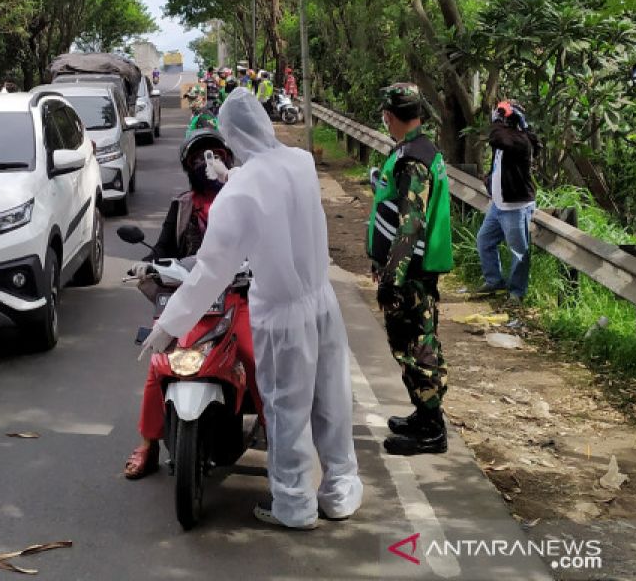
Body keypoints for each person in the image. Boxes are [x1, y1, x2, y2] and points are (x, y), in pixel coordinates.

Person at [138, 89, 363, 529]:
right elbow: (274, 198)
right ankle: (340, 491)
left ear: (231, 136)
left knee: (287, 410)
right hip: (322, 300)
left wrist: (169, 324)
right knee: (332, 401)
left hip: (281, 315)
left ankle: (294, 505)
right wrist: (233, 179)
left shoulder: (239, 193)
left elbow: (210, 271)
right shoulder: (299, 162)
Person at [124, 130, 257, 479]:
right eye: (198, 158)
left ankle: (277, 433)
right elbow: (163, 249)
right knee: (159, 363)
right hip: (188, 299)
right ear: (187, 166)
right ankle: (148, 444)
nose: (207, 163)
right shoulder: (182, 206)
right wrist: (147, 264)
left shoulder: (245, 201)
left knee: (255, 356)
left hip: (236, 297)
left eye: (214, 154)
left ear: (227, 160)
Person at [367, 83, 453, 456]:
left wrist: (392, 278)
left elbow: (410, 224)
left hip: (411, 274)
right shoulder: (418, 150)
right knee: (411, 343)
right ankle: (423, 413)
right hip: (414, 271)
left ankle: (432, 429)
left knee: (416, 346)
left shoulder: (414, 161)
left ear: (389, 115)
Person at [475, 100, 541, 303]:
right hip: (499, 204)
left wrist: (500, 118)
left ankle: (516, 293)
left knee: (519, 252)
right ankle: (494, 281)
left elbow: (497, 138)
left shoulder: (519, 140)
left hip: (515, 207)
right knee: (484, 241)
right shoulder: (511, 137)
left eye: (502, 116)